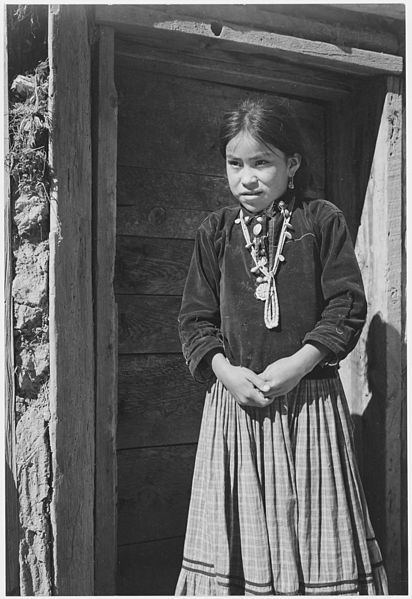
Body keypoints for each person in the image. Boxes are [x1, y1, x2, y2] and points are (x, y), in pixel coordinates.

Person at [175, 97, 388, 596]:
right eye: (235, 163)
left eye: (261, 162)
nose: (247, 177)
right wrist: (226, 373)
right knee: (242, 537)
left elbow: (346, 307)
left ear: (291, 164)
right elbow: (194, 320)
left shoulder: (321, 221)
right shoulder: (215, 232)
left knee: (311, 528)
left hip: (310, 407)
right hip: (236, 411)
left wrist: (298, 364)